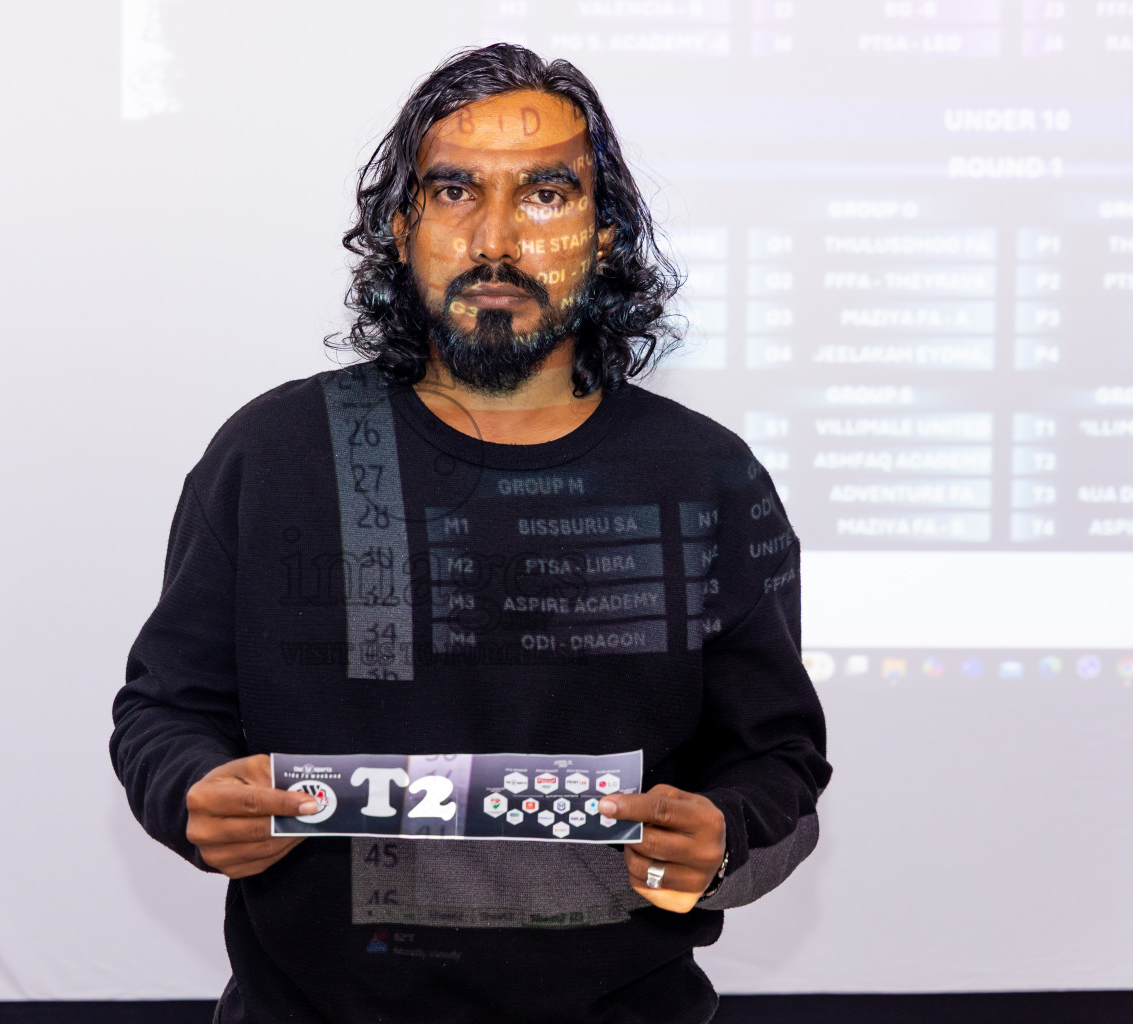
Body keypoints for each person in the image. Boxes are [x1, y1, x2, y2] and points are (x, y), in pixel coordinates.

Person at [110, 43, 831, 1024]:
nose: (495, 239)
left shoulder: (706, 476)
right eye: (453, 190)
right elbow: (162, 709)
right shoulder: (272, 453)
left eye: (544, 194)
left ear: (605, 233)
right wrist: (191, 791)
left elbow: (778, 755)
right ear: (403, 227)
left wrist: (726, 830)